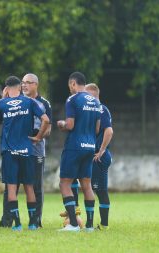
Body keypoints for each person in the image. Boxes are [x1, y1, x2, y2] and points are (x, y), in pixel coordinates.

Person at [0, 76, 50, 231]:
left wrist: (4, 98)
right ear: (20, 87)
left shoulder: (1, 104)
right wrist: (38, 137)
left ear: (6, 88)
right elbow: (45, 120)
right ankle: (33, 223)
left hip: (8, 151)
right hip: (26, 151)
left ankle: (17, 224)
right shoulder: (30, 102)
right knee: (29, 188)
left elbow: (0, 121)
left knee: (11, 189)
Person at [57, 72, 101, 232]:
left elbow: (70, 125)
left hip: (74, 146)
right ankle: (89, 225)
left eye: (70, 86)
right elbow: (97, 129)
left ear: (73, 84)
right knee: (87, 185)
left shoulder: (72, 99)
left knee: (65, 183)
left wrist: (61, 123)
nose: (70, 89)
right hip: (90, 147)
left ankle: (73, 224)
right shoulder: (96, 103)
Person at [85, 83, 113, 230]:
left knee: (100, 190)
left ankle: (104, 225)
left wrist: (101, 150)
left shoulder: (101, 109)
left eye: (86, 95)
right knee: (90, 188)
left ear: (94, 96)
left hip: (99, 157)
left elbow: (109, 131)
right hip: (93, 156)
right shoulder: (92, 110)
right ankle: (87, 222)